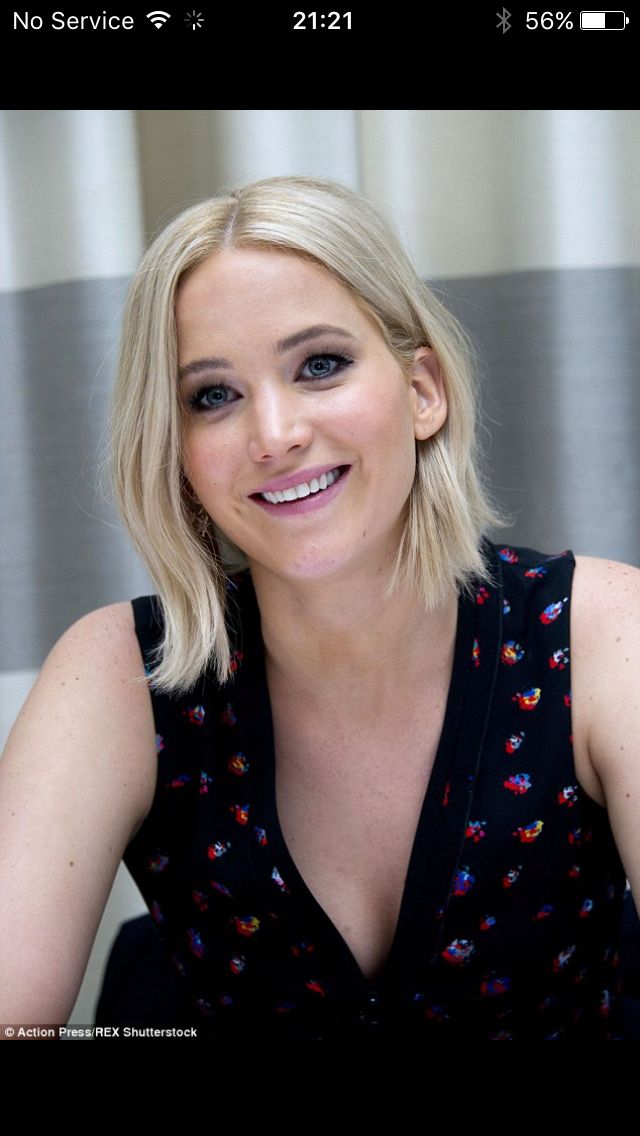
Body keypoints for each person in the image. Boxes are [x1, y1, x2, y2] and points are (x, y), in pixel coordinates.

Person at [1, 175, 638, 1040]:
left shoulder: (603, 634)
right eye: (212, 396)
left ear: (423, 392)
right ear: (175, 448)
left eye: (321, 365)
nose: (274, 434)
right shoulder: (116, 675)